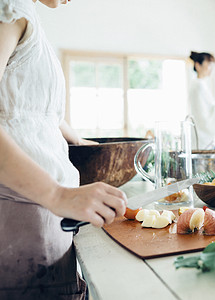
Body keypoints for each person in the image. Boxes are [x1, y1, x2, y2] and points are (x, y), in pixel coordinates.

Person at [0, 0, 127, 298]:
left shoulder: (27, 14)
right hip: (19, 219)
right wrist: (56, 194)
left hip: (44, 222)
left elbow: (35, 112)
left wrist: (78, 140)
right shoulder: (9, 7)